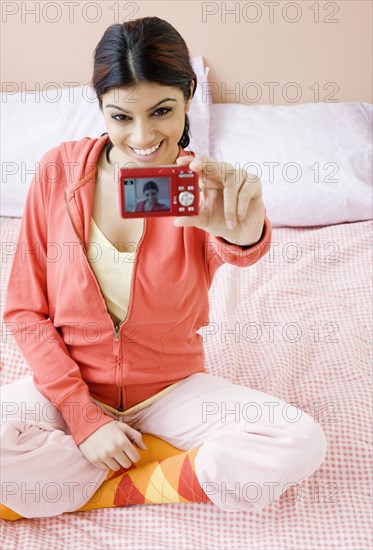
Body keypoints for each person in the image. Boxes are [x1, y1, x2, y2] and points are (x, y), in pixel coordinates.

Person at [0, 16, 327, 519]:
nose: (143, 136)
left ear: (189, 94)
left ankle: (121, 480)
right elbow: (25, 312)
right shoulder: (56, 172)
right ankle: (163, 462)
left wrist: (242, 231)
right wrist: (84, 419)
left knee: (298, 440)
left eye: (162, 111)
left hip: (171, 388)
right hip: (69, 387)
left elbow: (238, 250)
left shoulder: (204, 184)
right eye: (121, 117)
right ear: (101, 107)